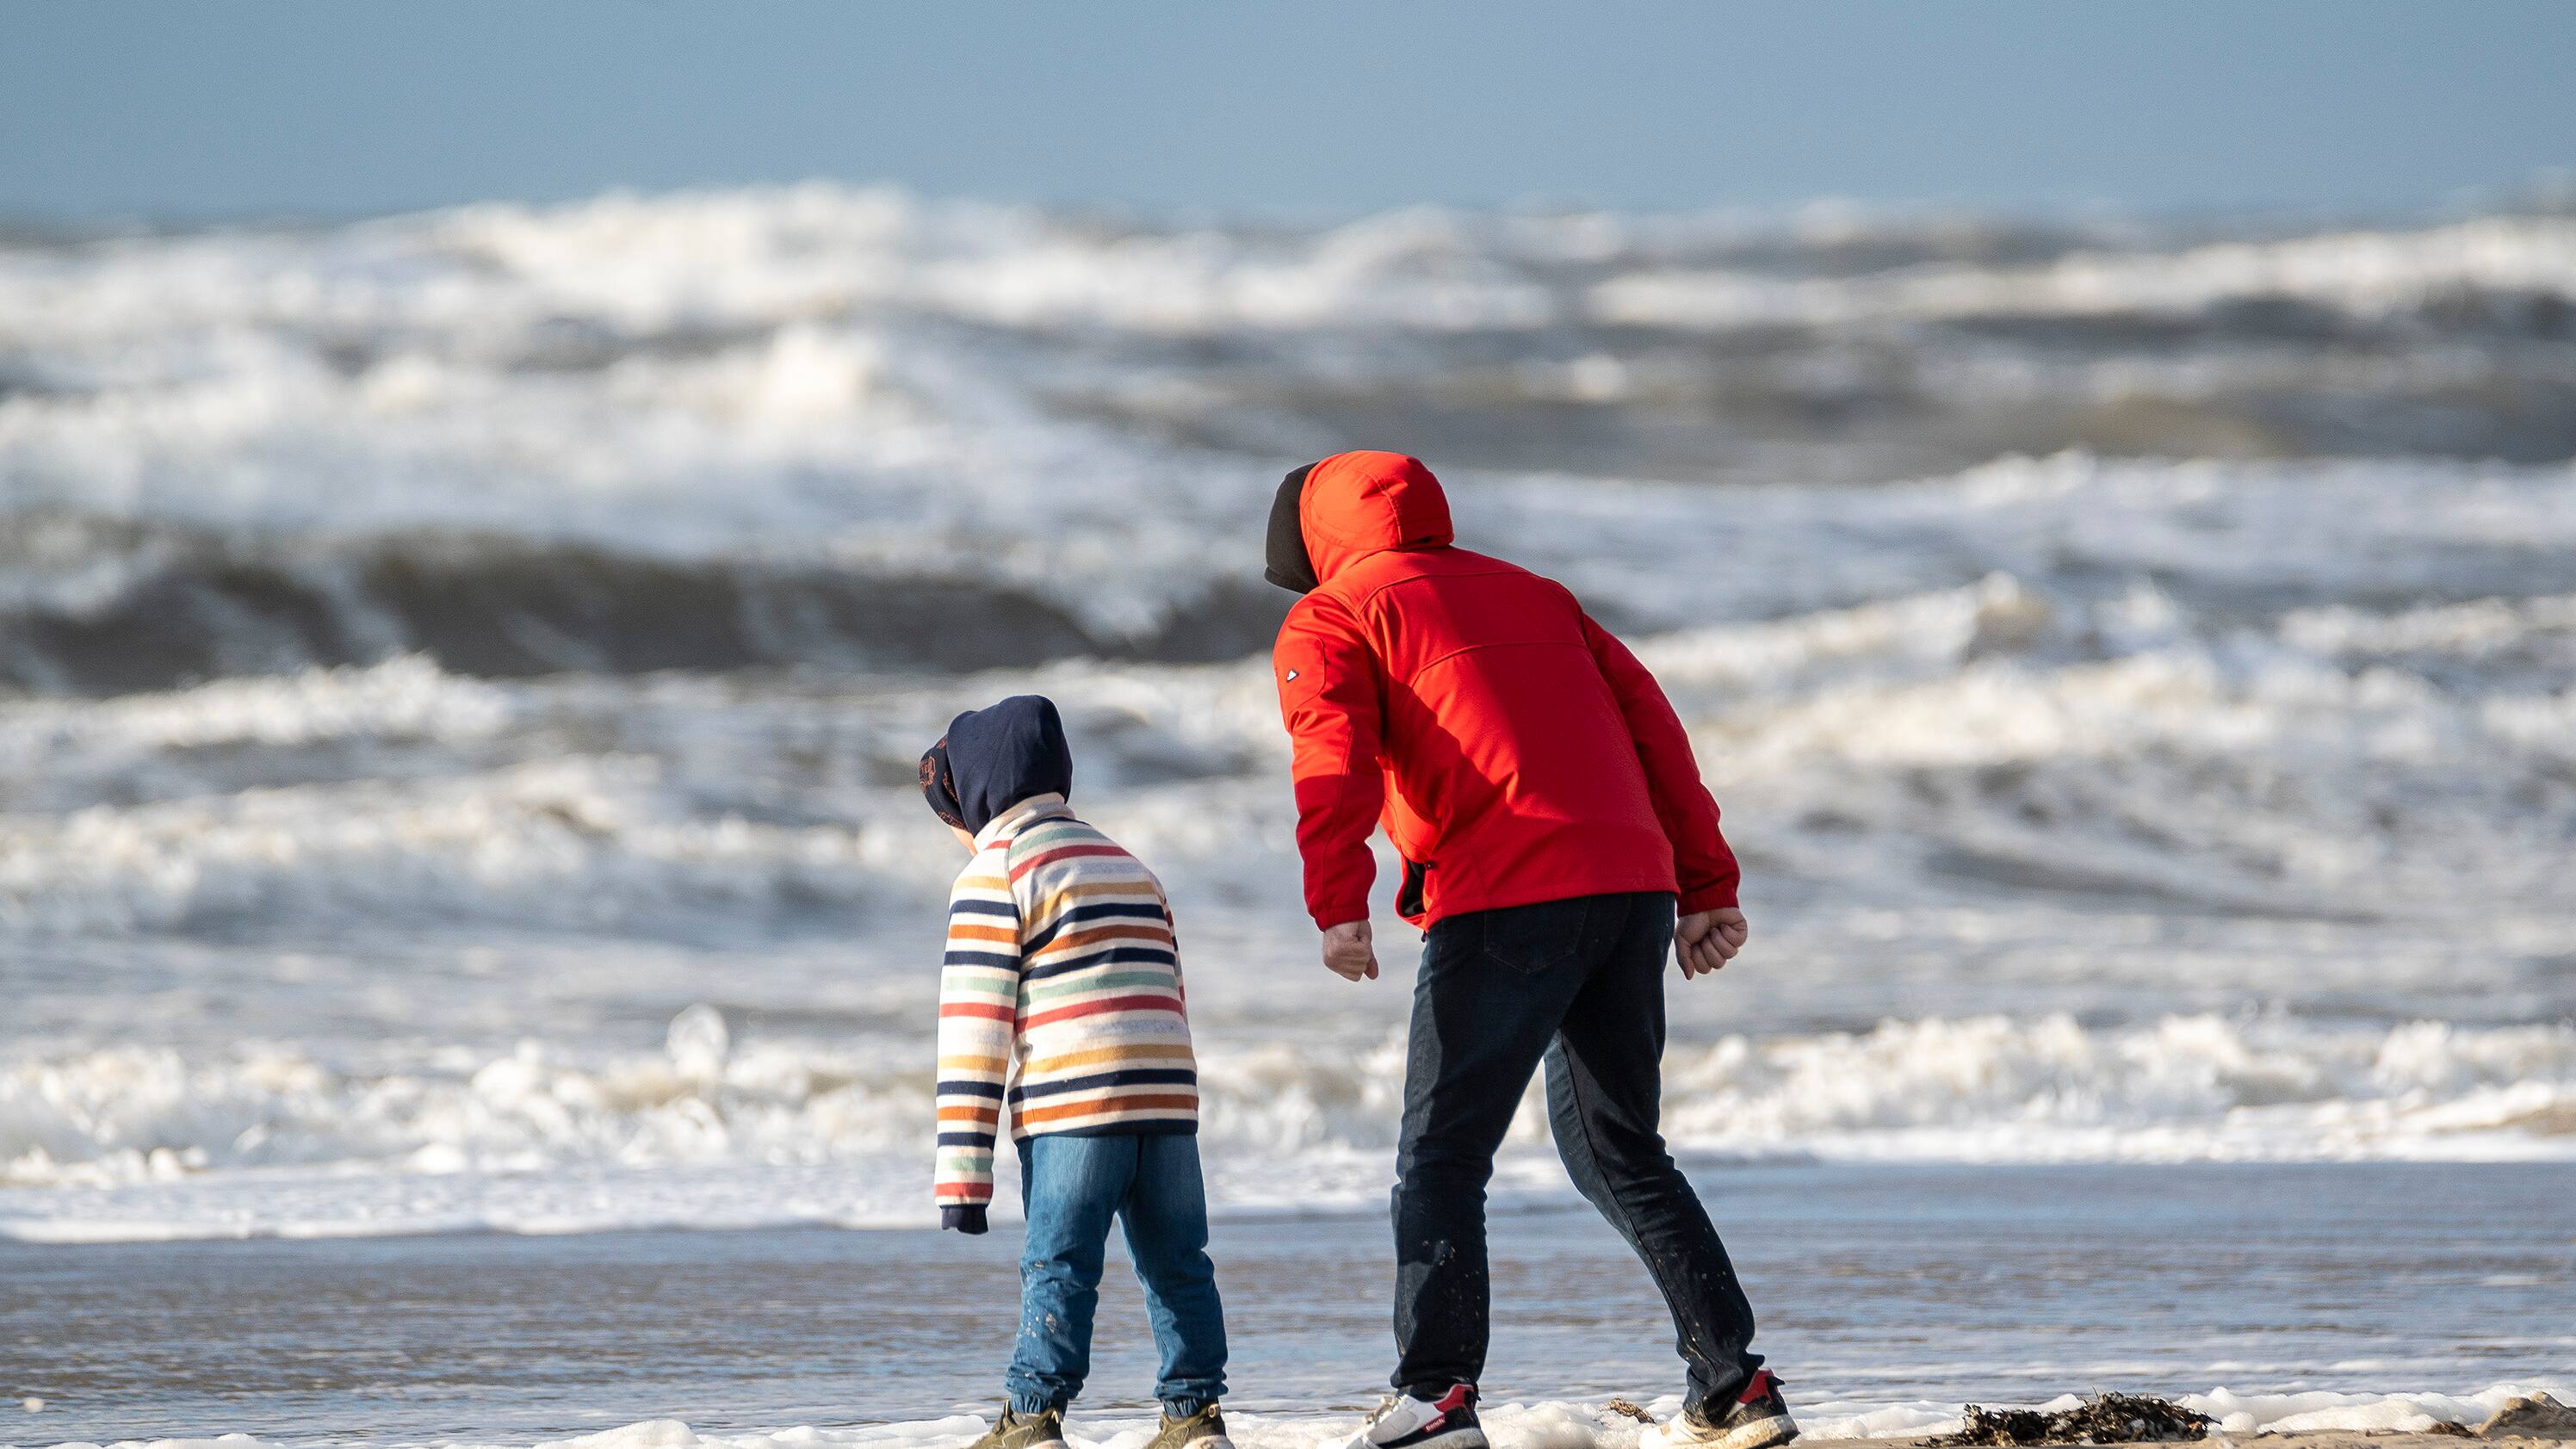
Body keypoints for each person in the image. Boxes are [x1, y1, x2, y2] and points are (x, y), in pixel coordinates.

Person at [1265, 453, 1795, 1449]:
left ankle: (1436, 1397)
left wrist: (1339, 901)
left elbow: (1327, 753)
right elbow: (1655, 735)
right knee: (1621, 1150)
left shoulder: (1331, 615)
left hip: (1505, 895)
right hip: (1629, 889)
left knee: (1441, 1156)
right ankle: (1735, 1386)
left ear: (1316, 540)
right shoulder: (1538, 593)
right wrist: (1704, 886)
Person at [921, 695, 1232, 1449]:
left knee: (1058, 1260)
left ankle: (1033, 1415)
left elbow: (975, 1031)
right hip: (1165, 1105)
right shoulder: (1131, 864)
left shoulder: (997, 874)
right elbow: (1172, 992)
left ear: (984, 794)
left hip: (1072, 1111)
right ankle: (1195, 1415)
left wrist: (961, 1181)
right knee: (1179, 1261)